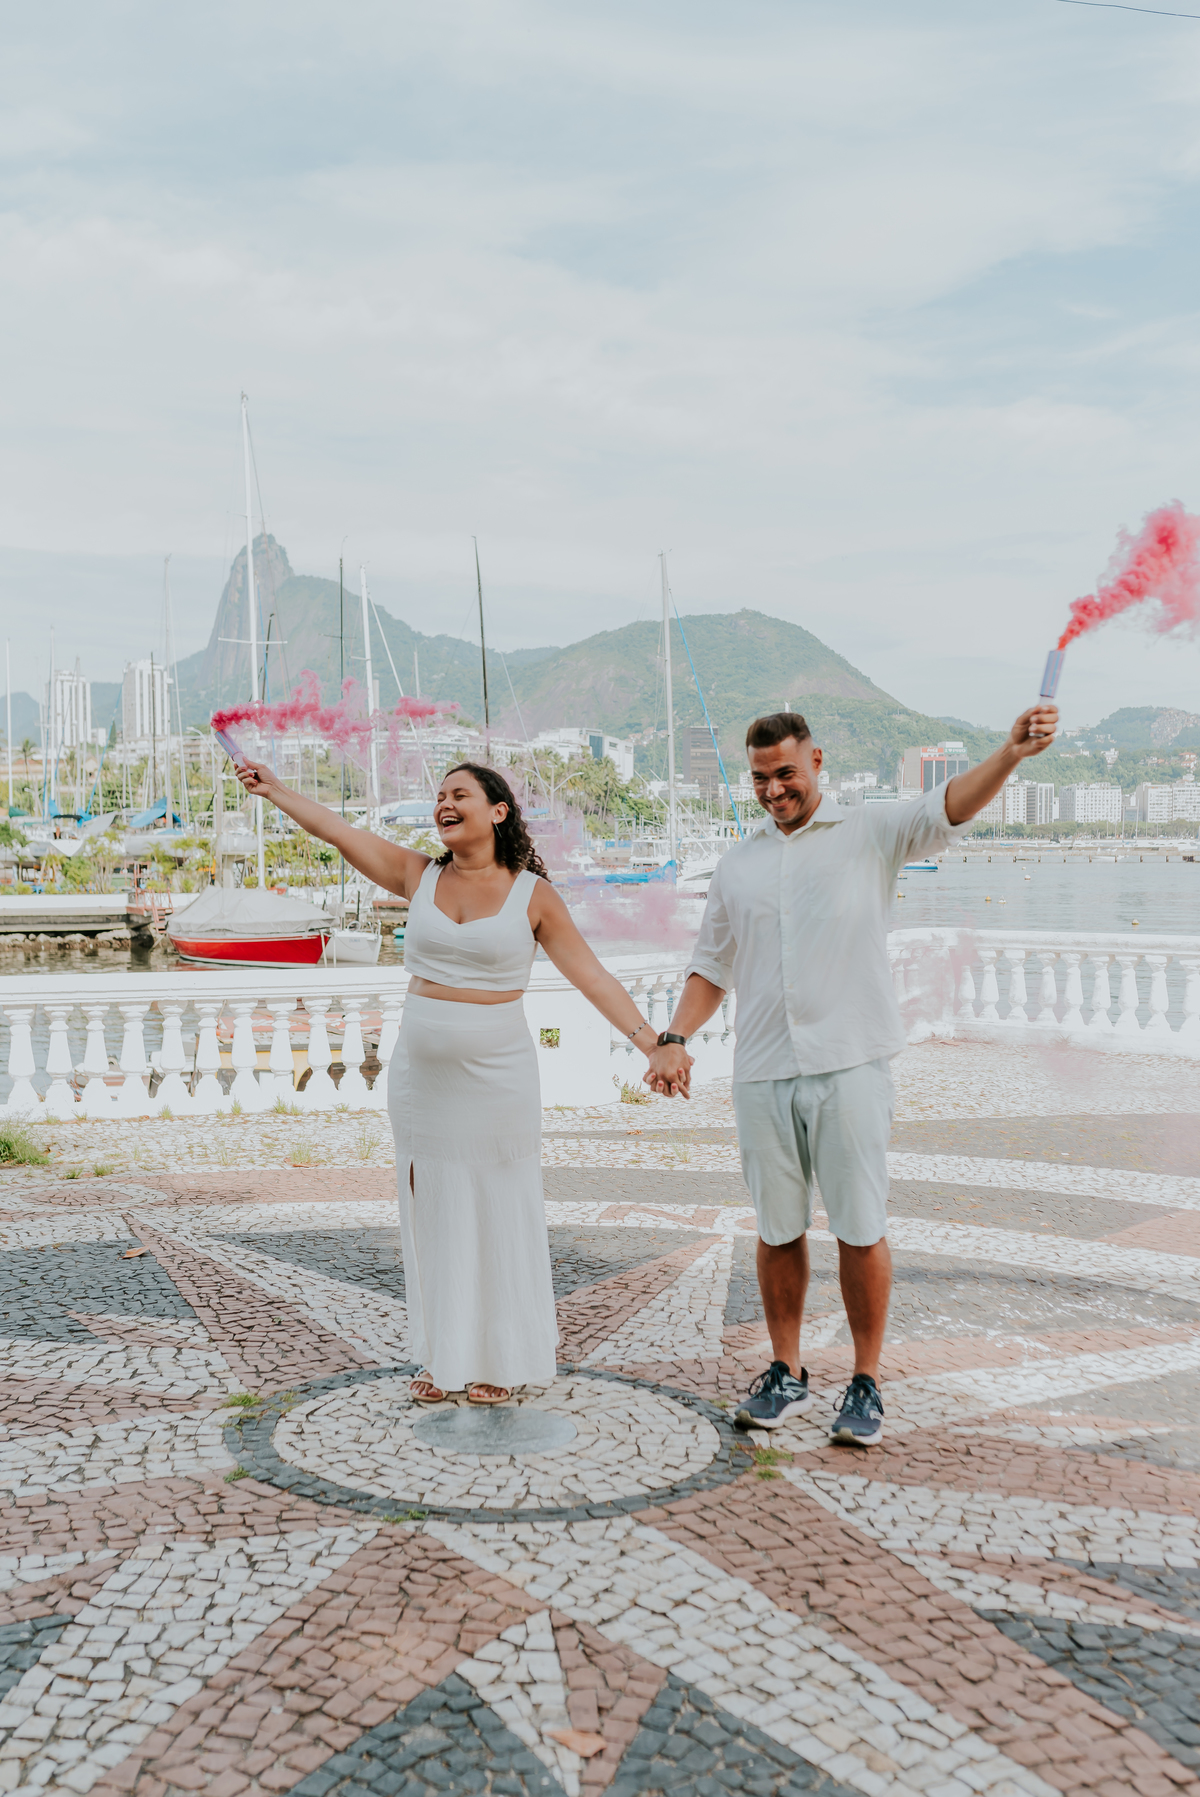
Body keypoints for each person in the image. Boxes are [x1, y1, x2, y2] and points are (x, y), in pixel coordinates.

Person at [644, 702, 1059, 1446]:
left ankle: (865, 1380)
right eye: (761, 778)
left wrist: (1010, 753)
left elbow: (950, 803)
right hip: (763, 1068)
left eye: (787, 774)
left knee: (860, 1227)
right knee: (777, 1228)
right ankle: (786, 1368)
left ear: (818, 762)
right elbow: (711, 966)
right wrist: (673, 1035)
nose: (775, 790)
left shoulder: (871, 831)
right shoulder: (738, 865)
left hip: (852, 1063)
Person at [233, 756, 663, 1405]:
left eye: (459, 793)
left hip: (498, 1079)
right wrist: (276, 791)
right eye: (438, 796)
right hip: (421, 1080)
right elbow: (337, 831)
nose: (444, 804)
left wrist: (654, 1043)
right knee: (433, 1207)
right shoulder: (417, 873)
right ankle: (443, 1354)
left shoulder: (533, 894)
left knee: (498, 1205)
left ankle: (502, 1356)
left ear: (498, 810)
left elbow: (593, 976)